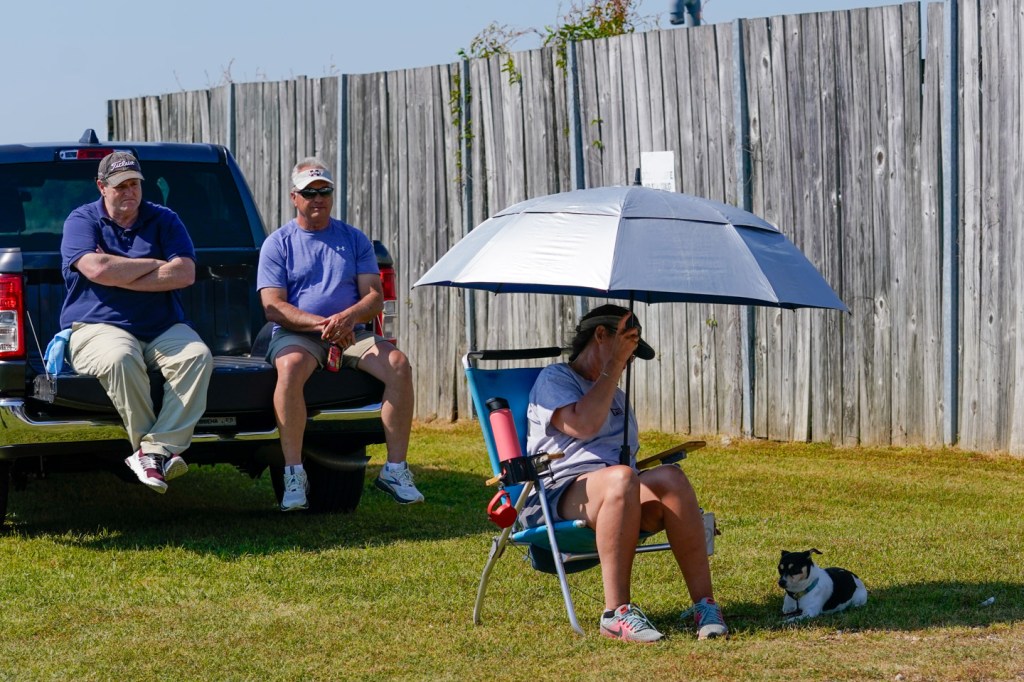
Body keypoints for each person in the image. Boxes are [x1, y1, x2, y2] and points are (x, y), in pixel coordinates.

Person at [525, 304, 727, 642]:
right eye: (627, 347)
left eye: (632, 352)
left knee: (672, 478)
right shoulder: (555, 378)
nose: (630, 359)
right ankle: (615, 614)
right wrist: (613, 366)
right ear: (600, 335)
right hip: (559, 495)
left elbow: (629, 461)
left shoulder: (616, 395)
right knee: (621, 478)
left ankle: (704, 606)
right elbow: (583, 425)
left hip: (618, 491)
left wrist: (685, 514)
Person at [256, 157, 422, 511]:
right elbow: (273, 307)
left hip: (351, 332)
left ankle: (395, 470)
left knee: (398, 365)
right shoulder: (277, 243)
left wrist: (347, 319)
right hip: (299, 334)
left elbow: (374, 297)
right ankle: (293, 473)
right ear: (294, 197)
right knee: (290, 369)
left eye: (325, 191)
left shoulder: (354, 239)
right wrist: (323, 325)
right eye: (309, 192)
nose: (318, 198)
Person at [60, 151, 213, 494]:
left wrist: (117, 273)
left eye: (135, 184)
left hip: (162, 326)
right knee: (120, 357)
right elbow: (96, 268)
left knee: (197, 356)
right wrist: (156, 264)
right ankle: (155, 455)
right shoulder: (81, 220)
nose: (130, 192)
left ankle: (152, 452)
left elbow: (185, 273)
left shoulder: (165, 218)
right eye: (120, 186)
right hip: (97, 326)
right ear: (101, 187)